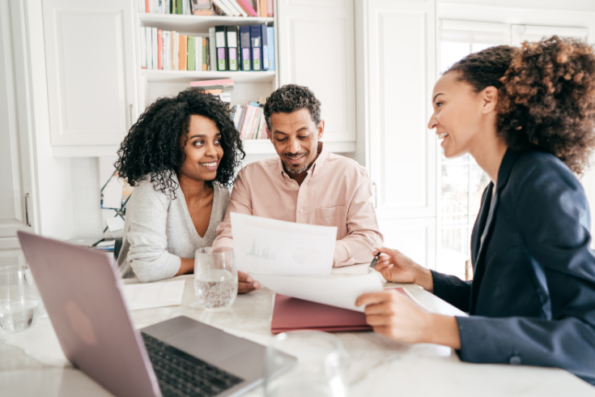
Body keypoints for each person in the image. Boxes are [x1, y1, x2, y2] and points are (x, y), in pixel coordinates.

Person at [356, 36, 595, 385]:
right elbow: (497, 303)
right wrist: (423, 276)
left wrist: (431, 325)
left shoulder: (541, 178)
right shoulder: (497, 188)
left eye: (440, 103)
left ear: (488, 99)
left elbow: (588, 338)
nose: (432, 122)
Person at [212, 84, 383, 293]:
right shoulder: (249, 178)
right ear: (269, 135)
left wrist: (317, 254)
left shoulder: (351, 174)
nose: (293, 148)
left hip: (334, 291)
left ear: (319, 130)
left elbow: (368, 240)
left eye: (302, 136)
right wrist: (228, 265)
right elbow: (228, 236)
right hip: (265, 291)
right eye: (282, 138)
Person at [115, 89, 244, 283]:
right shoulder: (154, 186)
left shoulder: (222, 194)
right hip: (139, 300)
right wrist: (208, 263)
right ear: (171, 148)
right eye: (199, 143)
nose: (213, 152)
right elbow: (148, 266)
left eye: (217, 141)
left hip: (192, 297)